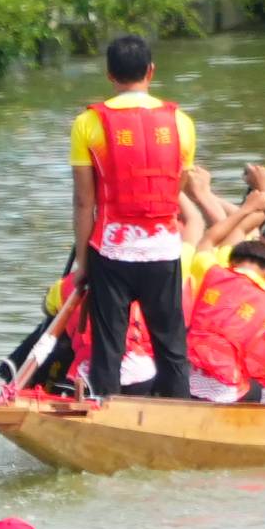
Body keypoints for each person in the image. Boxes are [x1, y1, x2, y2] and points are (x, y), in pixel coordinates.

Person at [66, 34, 212, 399]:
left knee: (108, 350)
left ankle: (108, 413)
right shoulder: (182, 122)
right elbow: (175, 186)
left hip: (110, 249)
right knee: (171, 348)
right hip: (163, 249)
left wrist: (83, 262)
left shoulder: (87, 123)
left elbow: (84, 201)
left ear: (109, 75)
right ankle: (177, 417)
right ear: (151, 71)